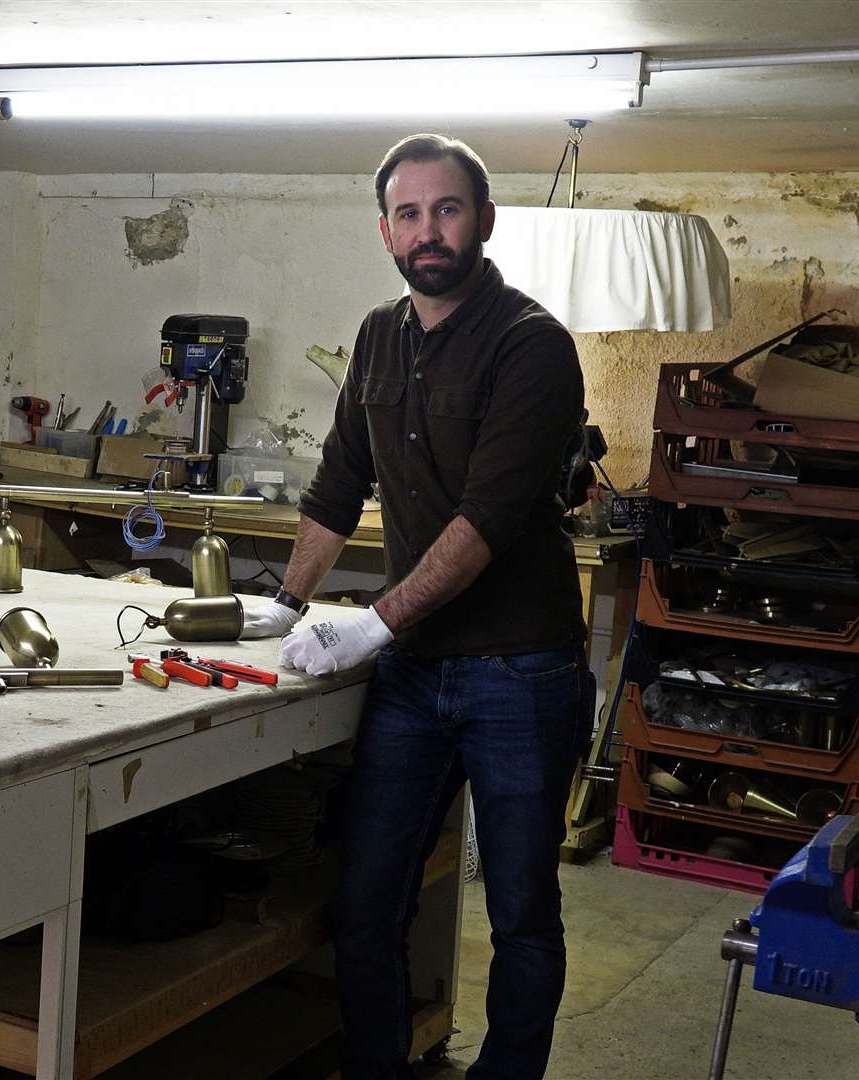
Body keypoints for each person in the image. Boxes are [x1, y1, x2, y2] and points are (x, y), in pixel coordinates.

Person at [241, 134, 593, 1079]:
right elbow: (336, 485)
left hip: (523, 671)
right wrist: (285, 601)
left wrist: (372, 623)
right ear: (385, 230)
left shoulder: (532, 346)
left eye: (446, 210)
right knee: (366, 905)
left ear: (483, 219)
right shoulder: (376, 335)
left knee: (520, 910)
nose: (427, 230)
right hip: (413, 677)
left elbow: (486, 518)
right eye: (408, 213)